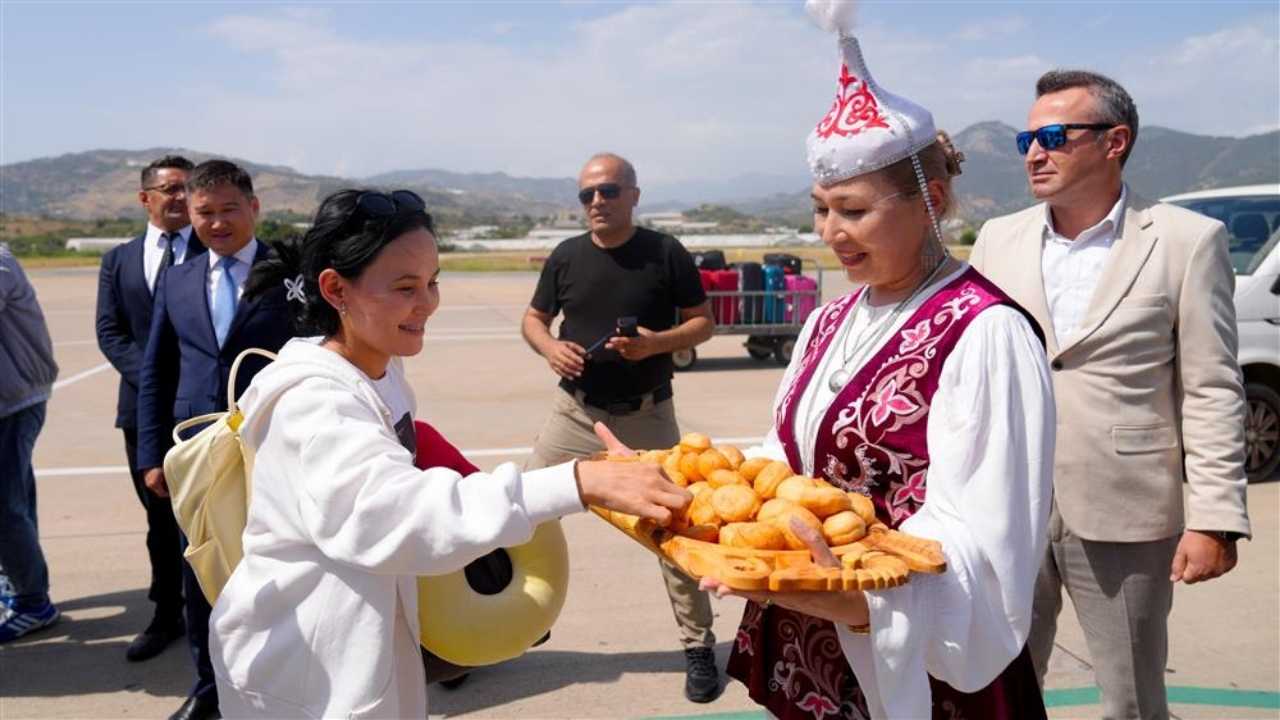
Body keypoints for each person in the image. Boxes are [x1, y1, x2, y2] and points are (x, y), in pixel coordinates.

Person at [207, 188, 690, 718]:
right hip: (305, 679)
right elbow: (391, 514)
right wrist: (575, 482)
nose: (428, 304)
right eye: (405, 287)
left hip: (355, 646)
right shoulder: (314, 402)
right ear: (335, 289)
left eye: (433, 282)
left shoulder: (379, 368)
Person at [700, 6, 1057, 718]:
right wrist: (721, 493)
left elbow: (988, 535)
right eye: (820, 210)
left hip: (918, 671)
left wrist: (857, 594)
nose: (831, 233)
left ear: (936, 199)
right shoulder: (834, 316)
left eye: (854, 211)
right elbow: (794, 451)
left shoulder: (985, 334)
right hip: (816, 640)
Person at [969, 69, 1251, 720]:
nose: (1035, 153)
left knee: (1131, 700)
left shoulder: (1185, 241)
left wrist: (1215, 519)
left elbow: (1212, 387)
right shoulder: (996, 241)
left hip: (1124, 506)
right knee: (997, 691)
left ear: (1114, 141)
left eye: (1054, 136)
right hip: (1008, 505)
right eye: (1026, 139)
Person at [520, 152, 719, 702]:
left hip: (648, 418)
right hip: (576, 414)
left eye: (608, 192)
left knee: (675, 531)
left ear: (634, 194)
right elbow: (533, 320)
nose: (597, 203)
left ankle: (698, 645)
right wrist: (550, 349)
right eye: (587, 194)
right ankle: (521, 620)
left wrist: (654, 344)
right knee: (520, 507)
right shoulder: (566, 256)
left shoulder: (664, 252)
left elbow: (704, 321)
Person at [136, 159, 293, 720]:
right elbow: (156, 369)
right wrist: (151, 454)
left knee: (280, 566)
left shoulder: (290, 270)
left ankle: (286, 684)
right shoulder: (177, 279)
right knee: (202, 572)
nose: (218, 223)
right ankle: (209, 691)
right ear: (190, 216)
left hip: (277, 443)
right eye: (206, 213)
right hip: (200, 451)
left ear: (254, 208)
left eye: (230, 210)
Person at [95, 154, 205, 662]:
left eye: (189, 189)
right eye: (172, 190)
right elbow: (110, 332)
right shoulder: (118, 260)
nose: (182, 198)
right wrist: (157, 383)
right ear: (147, 198)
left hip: (206, 411)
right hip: (144, 413)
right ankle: (167, 613)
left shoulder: (214, 250)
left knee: (214, 518)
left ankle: (221, 613)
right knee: (159, 520)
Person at [0, 245, 60, 643]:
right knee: (15, 498)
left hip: (13, 401)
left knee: (5, 507)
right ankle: (21, 580)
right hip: (11, 397)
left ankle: (32, 600)